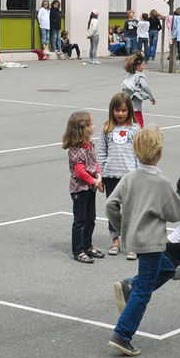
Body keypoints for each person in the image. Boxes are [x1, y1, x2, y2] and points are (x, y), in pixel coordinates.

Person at [107, 127, 180, 356]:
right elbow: (177, 212)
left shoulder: (129, 178)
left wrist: (124, 227)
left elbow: (110, 205)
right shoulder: (160, 182)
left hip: (135, 239)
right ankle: (122, 334)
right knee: (144, 290)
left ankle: (129, 285)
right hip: (152, 241)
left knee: (167, 269)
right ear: (159, 153)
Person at [97, 93, 140, 261]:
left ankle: (131, 244)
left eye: (123, 110)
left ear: (129, 111)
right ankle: (115, 240)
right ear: (112, 111)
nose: (120, 114)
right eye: (117, 110)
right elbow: (101, 153)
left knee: (130, 211)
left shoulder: (135, 128)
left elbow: (139, 153)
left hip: (129, 176)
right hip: (110, 176)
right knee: (113, 210)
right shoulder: (107, 128)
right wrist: (100, 175)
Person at [62, 111, 105, 264]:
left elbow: (94, 163)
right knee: (80, 220)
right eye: (91, 124)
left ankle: (88, 245)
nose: (94, 126)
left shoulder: (89, 145)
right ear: (83, 128)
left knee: (90, 218)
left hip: (90, 188)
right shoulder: (77, 150)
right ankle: (78, 250)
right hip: (80, 190)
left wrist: (99, 176)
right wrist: (94, 181)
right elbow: (80, 172)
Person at [121, 52, 156, 128]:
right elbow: (145, 86)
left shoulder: (128, 76)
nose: (144, 67)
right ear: (137, 66)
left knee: (127, 122)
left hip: (127, 102)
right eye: (143, 65)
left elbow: (123, 89)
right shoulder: (140, 76)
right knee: (139, 123)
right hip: (135, 104)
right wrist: (152, 97)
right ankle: (138, 136)